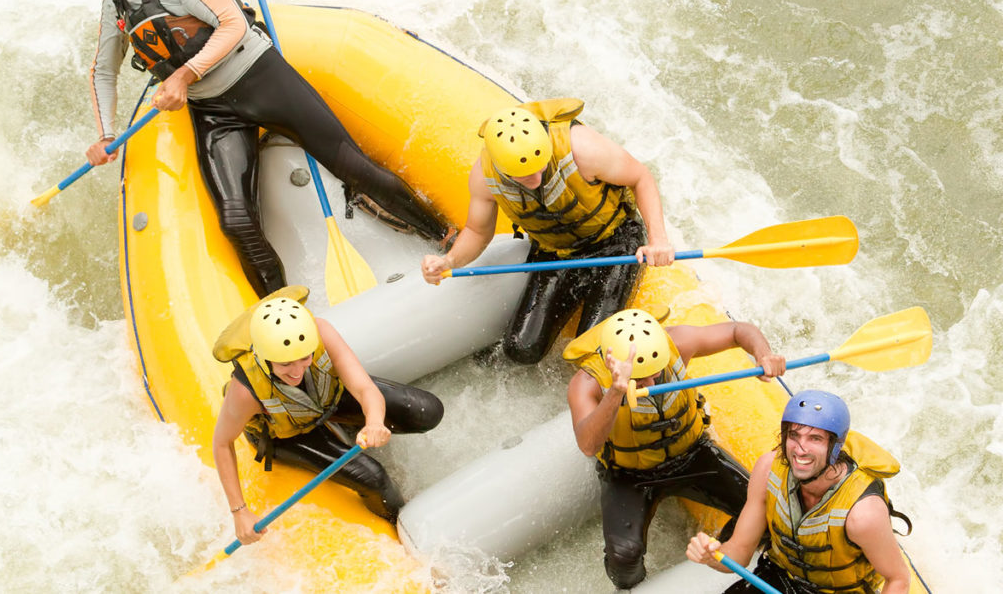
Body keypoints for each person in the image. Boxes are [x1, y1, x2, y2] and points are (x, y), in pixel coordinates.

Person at [79, 0, 449, 297]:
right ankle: (283, 314)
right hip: (213, 111)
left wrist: (183, 75)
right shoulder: (114, 1)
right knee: (236, 221)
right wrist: (105, 134)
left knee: (352, 166)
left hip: (260, 76)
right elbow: (103, 72)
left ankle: (445, 237)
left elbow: (232, 22)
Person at [421, 98, 676, 364]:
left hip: (615, 240)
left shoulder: (582, 148)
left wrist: (658, 240)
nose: (535, 179)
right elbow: (477, 231)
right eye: (523, 175)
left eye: (539, 167)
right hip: (557, 251)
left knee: (593, 353)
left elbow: (641, 177)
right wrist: (448, 261)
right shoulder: (485, 176)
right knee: (521, 348)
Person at [565, 308, 787, 590]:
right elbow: (588, 444)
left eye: (654, 375)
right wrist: (616, 392)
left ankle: (725, 552)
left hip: (693, 455)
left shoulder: (676, 342)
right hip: (631, 474)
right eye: (639, 380)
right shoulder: (586, 383)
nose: (650, 385)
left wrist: (763, 353)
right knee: (624, 556)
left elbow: (738, 331)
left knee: (767, 514)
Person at [211, 286, 444, 543]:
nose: (297, 370)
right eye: (285, 364)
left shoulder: (320, 332)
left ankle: (346, 425)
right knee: (374, 477)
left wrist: (374, 421)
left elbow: (364, 388)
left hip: (326, 401)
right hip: (283, 434)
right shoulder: (245, 391)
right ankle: (404, 529)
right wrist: (239, 512)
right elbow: (221, 443)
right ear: (265, 359)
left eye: (304, 358)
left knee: (426, 410)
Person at [686, 390, 912, 594]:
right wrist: (712, 556)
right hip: (780, 579)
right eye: (794, 436)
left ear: (834, 447)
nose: (800, 450)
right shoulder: (767, 470)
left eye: (815, 439)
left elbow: (898, 579)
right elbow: (740, 551)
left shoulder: (863, 515)